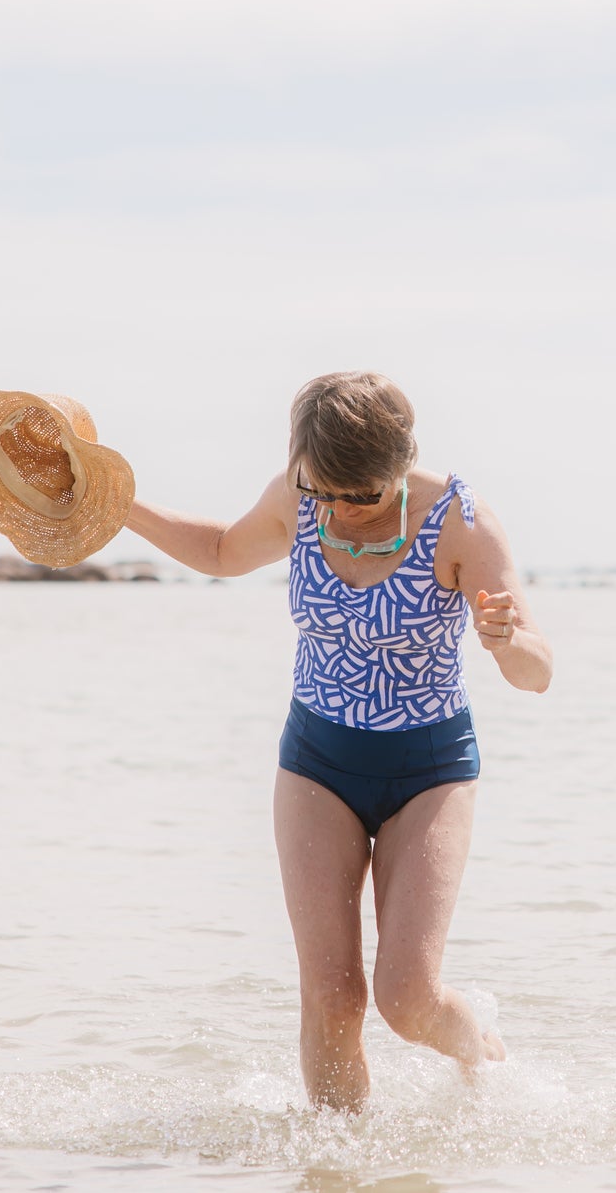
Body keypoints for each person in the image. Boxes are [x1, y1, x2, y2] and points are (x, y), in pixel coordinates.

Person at [123, 371, 552, 1109]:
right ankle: (337, 1170)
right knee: (332, 997)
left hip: (430, 770)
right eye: (324, 493)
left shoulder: (461, 522)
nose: (340, 511)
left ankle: (478, 1048)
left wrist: (507, 639)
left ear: (398, 465)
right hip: (317, 763)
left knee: (406, 998)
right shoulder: (300, 495)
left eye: (363, 496)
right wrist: (121, 504)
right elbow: (224, 549)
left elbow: (536, 672)